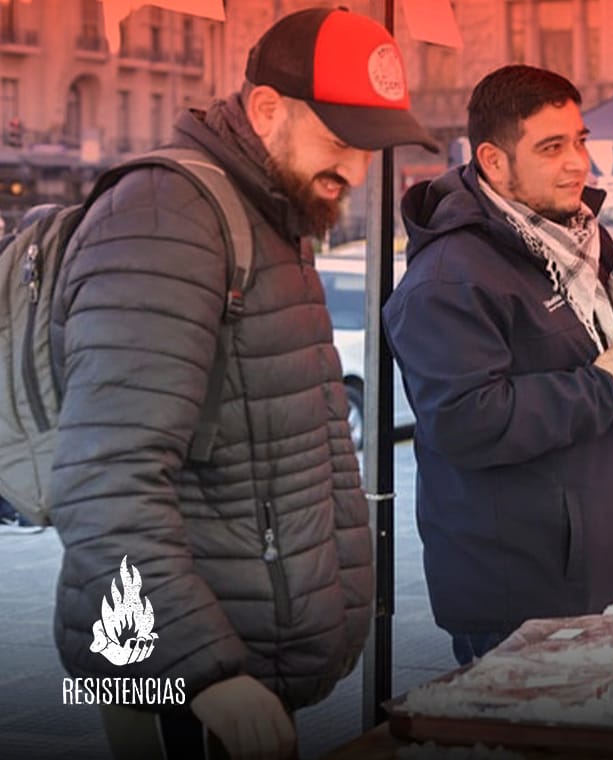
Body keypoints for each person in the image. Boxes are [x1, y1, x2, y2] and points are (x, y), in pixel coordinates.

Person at [47, 7, 436, 759]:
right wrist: (203, 669)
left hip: (239, 668)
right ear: (266, 110)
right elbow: (104, 477)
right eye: (339, 140)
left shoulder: (269, 207)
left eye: (370, 148)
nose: (357, 171)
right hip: (178, 674)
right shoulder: (164, 218)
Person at [383, 65, 613, 665]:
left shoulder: (580, 236)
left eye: (580, 141)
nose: (577, 162)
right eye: (551, 148)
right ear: (494, 162)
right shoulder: (448, 278)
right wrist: (607, 390)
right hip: (520, 598)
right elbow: (464, 420)